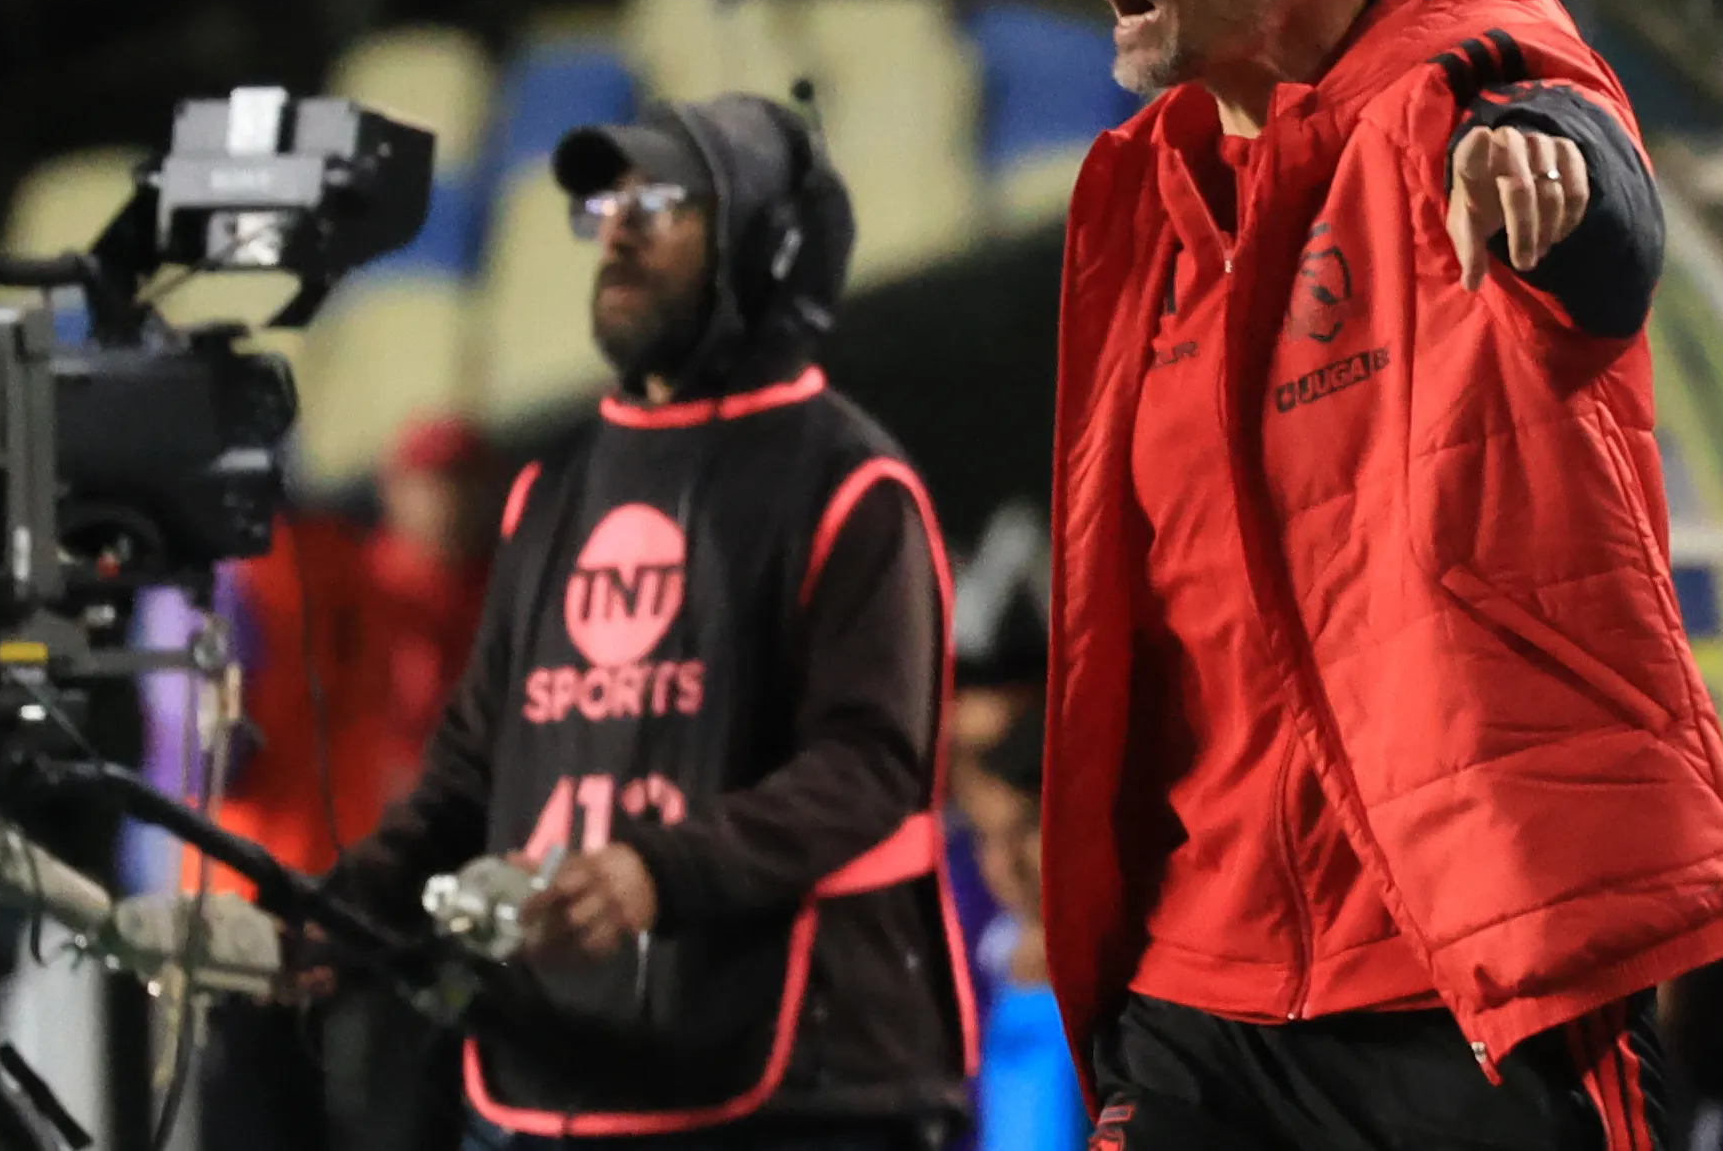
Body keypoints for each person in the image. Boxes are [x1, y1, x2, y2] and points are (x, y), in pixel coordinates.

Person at [1043, 0, 1723, 1151]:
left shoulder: (1468, 94)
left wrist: (1548, 182)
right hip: (1195, 998)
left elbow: (1594, 208)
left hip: (1460, 991)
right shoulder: (1146, 201)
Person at [320, 93, 976, 1150]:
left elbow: (868, 766)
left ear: (770, 240)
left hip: (805, 1093)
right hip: (557, 1078)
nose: (617, 229)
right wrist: (336, 912)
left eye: (662, 202)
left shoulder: (850, 483)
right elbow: (471, 772)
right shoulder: (553, 490)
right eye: (605, 207)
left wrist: (656, 873)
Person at [135, 415, 504, 1151]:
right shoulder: (352, 560)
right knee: (371, 1110)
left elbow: (198, 759)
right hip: (343, 883)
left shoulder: (224, 574)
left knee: (267, 1115)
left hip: (261, 887)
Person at [964, 703, 1089, 1151]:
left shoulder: (1126, 985)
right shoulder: (991, 960)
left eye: (1025, 831)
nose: (1004, 864)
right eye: (985, 837)